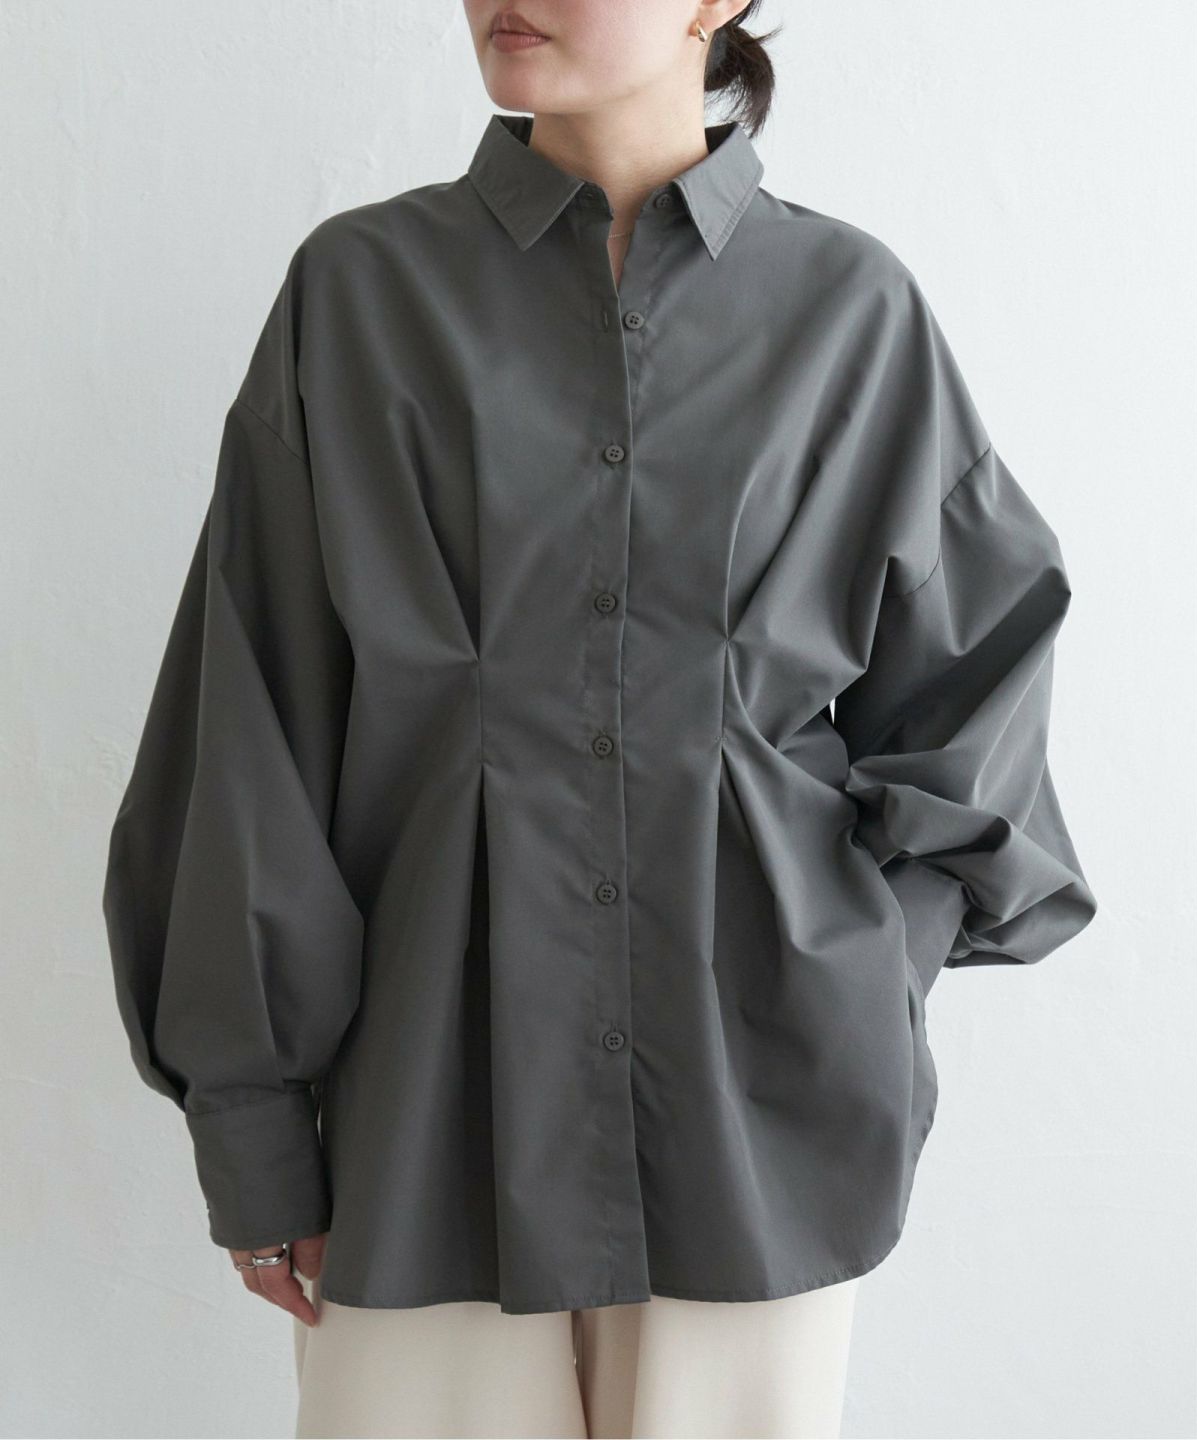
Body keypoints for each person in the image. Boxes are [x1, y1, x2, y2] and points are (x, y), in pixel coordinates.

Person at [101, 2, 1099, 1437]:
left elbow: (977, 689)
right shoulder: (359, 294)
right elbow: (249, 728)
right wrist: (252, 1124)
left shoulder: (850, 310)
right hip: (421, 1129)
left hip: (756, 1129)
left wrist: (868, 971)